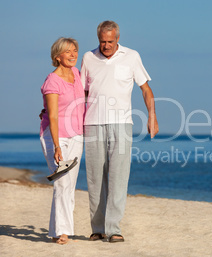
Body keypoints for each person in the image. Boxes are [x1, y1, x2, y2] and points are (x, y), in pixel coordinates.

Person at [81, 20, 159, 243]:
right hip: (93, 124)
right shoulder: (88, 58)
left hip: (122, 124)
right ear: (98, 39)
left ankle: (113, 228)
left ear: (118, 39)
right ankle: (98, 228)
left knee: (118, 177)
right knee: (95, 178)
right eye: (102, 42)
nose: (106, 46)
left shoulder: (131, 56)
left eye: (110, 41)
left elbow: (145, 89)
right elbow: (81, 92)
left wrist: (152, 116)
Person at [39, 37, 85, 244]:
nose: (73, 54)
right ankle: (62, 232)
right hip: (56, 136)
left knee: (69, 183)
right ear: (57, 56)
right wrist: (57, 146)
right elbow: (54, 115)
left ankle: (59, 230)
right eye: (68, 51)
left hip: (77, 134)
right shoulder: (52, 81)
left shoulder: (76, 74)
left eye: (75, 50)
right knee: (61, 182)